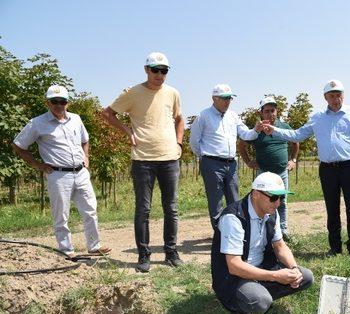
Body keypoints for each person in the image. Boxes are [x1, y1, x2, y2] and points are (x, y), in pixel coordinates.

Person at [261, 80, 350, 257]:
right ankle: (334, 248)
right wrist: (273, 130)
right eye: (332, 96)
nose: (336, 99)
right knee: (331, 208)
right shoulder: (318, 117)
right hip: (327, 169)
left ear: (343, 95)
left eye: (338, 95)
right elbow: (297, 134)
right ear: (325, 97)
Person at [102, 52, 185, 272]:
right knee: (143, 209)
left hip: (169, 158)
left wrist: (179, 143)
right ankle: (144, 255)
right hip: (143, 160)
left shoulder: (172, 93)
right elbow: (108, 113)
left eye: (164, 70)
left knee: (172, 208)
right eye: (155, 70)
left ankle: (171, 252)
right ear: (146, 70)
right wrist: (127, 131)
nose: (159, 74)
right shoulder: (133, 93)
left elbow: (179, 119)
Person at [13, 85, 110, 257]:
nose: (59, 105)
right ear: (47, 103)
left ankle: (94, 246)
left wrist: (86, 156)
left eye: (62, 101)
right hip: (58, 175)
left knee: (90, 209)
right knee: (61, 214)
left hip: (81, 172)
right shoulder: (37, 123)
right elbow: (19, 146)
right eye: (54, 101)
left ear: (68, 103)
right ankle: (66, 250)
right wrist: (38, 165)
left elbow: (85, 140)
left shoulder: (76, 119)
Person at [211, 172, 314, 314]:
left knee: (305, 276)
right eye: (273, 197)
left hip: (263, 269)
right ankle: (238, 308)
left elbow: (279, 245)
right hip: (234, 277)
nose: (278, 203)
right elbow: (234, 266)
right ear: (256, 194)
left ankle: (258, 292)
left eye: (281, 198)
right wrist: (275, 276)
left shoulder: (272, 213)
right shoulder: (233, 218)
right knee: (260, 301)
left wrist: (293, 269)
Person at [190, 84, 260, 228]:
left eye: (229, 98)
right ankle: (219, 235)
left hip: (231, 163)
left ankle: (234, 231)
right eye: (224, 98)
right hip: (212, 163)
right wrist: (206, 157)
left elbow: (246, 134)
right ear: (214, 98)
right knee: (216, 201)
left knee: (234, 200)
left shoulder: (233, 116)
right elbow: (194, 142)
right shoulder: (203, 116)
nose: (227, 101)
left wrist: (256, 130)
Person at [238, 96, 299, 240]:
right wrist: (248, 162)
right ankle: (265, 230)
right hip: (263, 173)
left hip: (281, 172)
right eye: (267, 111)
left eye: (273, 110)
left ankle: (283, 230)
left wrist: (293, 160)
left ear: (277, 112)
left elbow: (295, 141)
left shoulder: (283, 127)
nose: (270, 114)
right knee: (263, 202)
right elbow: (242, 145)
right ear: (261, 113)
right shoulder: (256, 131)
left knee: (282, 201)